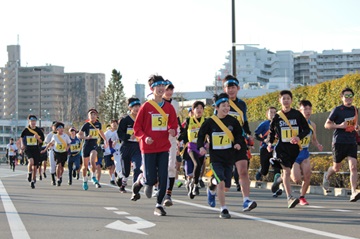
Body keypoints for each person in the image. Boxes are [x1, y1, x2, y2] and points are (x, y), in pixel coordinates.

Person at [131, 75, 178, 216]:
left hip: (164, 146)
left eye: (163, 86)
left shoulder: (169, 107)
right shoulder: (146, 107)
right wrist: (144, 138)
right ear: (152, 89)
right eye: (158, 86)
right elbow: (137, 128)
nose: (161, 89)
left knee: (163, 176)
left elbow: (174, 125)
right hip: (148, 148)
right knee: (151, 179)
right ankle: (141, 181)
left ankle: (158, 205)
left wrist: (172, 130)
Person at [198, 93, 245, 219]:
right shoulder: (210, 122)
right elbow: (201, 135)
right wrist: (201, 147)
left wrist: (238, 144)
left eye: (228, 105)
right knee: (222, 182)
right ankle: (223, 209)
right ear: (217, 107)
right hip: (216, 158)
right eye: (223, 106)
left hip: (229, 157)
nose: (226, 108)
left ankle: (211, 187)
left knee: (226, 186)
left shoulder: (233, 121)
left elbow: (239, 135)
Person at [267, 90, 310, 208]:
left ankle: (279, 180)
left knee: (288, 172)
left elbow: (306, 130)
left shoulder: (297, 114)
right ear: (279, 100)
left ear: (291, 100)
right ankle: (290, 197)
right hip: (282, 148)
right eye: (283, 98)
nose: (286, 100)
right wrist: (270, 143)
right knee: (286, 171)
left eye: (288, 98)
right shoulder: (277, 116)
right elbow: (271, 132)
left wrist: (298, 137)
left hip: (294, 148)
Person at [222, 75, 256, 212]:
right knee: (224, 177)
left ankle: (246, 200)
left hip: (239, 141)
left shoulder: (242, 104)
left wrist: (248, 134)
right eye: (228, 87)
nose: (231, 90)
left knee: (243, 171)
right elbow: (214, 121)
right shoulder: (220, 103)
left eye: (233, 87)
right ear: (224, 89)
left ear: (238, 88)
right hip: (224, 142)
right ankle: (212, 189)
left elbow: (245, 122)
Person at [323, 87, 360, 202]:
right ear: (342, 97)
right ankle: (326, 175)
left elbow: (354, 125)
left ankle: (353, 192)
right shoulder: (337, 110)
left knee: (353, 166)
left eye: (350, 96)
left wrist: (356, 128)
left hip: (351, 141)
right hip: (339, 142)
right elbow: (327, 125)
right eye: (346, 96)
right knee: (336, 168)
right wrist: (340, 126)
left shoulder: (355, 110)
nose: (348, 98)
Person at [289, 100, 323, 205]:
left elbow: (313, 139)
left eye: (309, 109)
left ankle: (302, 197)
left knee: (308, 176)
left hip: (304, 152)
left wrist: (317, 144)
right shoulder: (294, 123)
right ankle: (283, 177)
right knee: (296, 179)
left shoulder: (312, 124)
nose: (308, 111)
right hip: (293, 153)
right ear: (300, 110)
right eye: (305, 109)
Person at [254, 106, 283, 197]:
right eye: (271, 113)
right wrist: (264, 140)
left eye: (275, 113)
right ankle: (260, 171)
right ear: (267, 114)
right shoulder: (264, 124)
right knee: (265, 170)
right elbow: (256, 135)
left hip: (276, 149)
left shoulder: (280, 124)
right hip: (265, 149)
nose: (273, 114)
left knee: (277, 168)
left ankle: (276, 187)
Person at [77, 109, 108, 190]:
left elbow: (100, 132)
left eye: (94, 115)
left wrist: (105, 140)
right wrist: (86, 137)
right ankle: (84, 181)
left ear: (96, 116)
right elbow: (79, 135)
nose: (93, 116)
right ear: (89, 116)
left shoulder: (98, 124)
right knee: (85, 166)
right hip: (86, 146)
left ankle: (93, 176)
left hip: (94, 145)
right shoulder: (86, 125)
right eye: (91, 115)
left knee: (93, 159)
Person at [182, 101, 206, 199]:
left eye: (201, 108)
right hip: (191, 147)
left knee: (199, 167)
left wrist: (208, 142)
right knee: (197, 164)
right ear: (193, 110)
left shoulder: (206, 121)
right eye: (197, 108)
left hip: (202, 147)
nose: (199, 110)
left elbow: (209, 134)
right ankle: (195, 185)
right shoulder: (188, 121)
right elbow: (183, 133)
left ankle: (192, 185)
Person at [162, 80, 181, 206]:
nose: (169, 92)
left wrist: (178, 135)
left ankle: (168, 194)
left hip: (172, 138)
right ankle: (158, 187)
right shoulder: (154, 103)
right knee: (159, 166)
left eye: (171, 89)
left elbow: (177, 120)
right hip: (158, 138)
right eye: (167, 89)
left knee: (171, 165)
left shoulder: (175, 104)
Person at [118, 99, 142, 193]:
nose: (137, 109)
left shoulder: (142, 119)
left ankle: (135, 189)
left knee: (137, 167)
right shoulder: (125, 120)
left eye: (138, 106)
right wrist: (128, 136)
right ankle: (123, 182)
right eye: (134, 107)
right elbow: (120, 133)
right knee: (126, 171)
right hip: (126, 147)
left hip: (137, 147)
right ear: (130, 108)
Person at [41, 122, 71, 187]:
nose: (61, 129)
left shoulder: (65, 136)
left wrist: (67, 148)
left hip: (63, 152)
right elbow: (49, 143)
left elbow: (69, 143)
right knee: (57, 165)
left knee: (62, 167)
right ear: (56, 129)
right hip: (55, 152)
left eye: (62, 128)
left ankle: (60, 176)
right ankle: (56, 179)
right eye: (59, 128)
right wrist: (45, 150)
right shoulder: (53, 135)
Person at [20, 115, 45, 189]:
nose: (33, 123)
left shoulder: (39, 131)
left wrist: (38, 138)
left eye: (34, 121)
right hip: (28, 149)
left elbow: (41, 141)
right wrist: (22, 146)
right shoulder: (26, 130)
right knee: (31, 162)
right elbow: (21, 138)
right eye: (31, 121)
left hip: (36, 149)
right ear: (29, 122)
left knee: (35, 167)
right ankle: (29, 173)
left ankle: (33, 180)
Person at [44, 121, 58, 185]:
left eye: (57, 126)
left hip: (59, 152)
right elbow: (46, 142)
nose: (56, 128)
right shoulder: (50, 135)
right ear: (52, 127)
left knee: (58, 165)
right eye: (55, 126)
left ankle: (58, 177)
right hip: (52, 151)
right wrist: (49, 145)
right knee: (52, 165)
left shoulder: (61, 134)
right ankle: (53, 180)